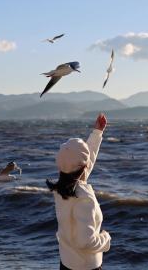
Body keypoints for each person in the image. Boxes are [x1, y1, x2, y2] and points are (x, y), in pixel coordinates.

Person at [47, 113, 110, 270]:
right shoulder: (83, 199)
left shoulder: (61, 188)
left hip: (66, 264)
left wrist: (97, 133)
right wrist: (105, 239)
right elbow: (86, 242)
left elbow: (84, 163)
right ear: (83, 167)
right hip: (87, 267)